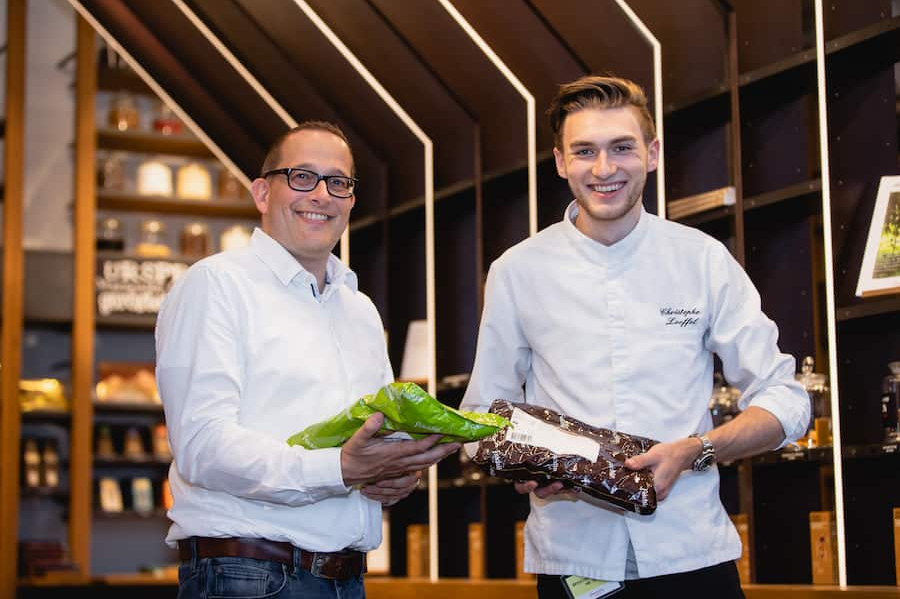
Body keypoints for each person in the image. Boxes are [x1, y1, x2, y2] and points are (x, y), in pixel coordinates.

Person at [459, 76, 810, 598]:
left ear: (651, 153)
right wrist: (520, 467)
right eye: (584, 151)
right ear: (559, 161)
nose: (604, 169)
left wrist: (698, 450)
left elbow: (789, 401)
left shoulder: (702, 259)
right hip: (573, 559)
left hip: (692, 555)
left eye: (621, 148)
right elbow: (482, 414)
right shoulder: (517, 271)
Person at [156, 121, 460, 599]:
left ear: (352, 200)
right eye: (301, 176)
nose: (321, 194)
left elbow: (372, 433)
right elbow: (202, 446)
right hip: (250, 575)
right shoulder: (215, 285)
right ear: (261, 192)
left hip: (347, 578)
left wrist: (393, 471)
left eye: (338, 182)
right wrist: (340, 469)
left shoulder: (359, 310)